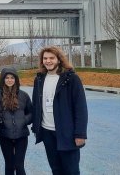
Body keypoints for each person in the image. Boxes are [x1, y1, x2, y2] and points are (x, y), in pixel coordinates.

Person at [32, 46, 88, 175]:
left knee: (71, 170)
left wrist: (80, 134)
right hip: (47, 132)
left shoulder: (71, 79)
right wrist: (36, 127)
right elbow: (36, 104)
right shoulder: (39, 79)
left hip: (66, 133)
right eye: (45, 58)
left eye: (52, 58)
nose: (48, 61)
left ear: (59, 59)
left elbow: (80, 108)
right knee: (56, 169)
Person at [0, 67, 33, 175]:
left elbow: (31, 113)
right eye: (6, 78)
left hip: (21, 136)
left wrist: (24, 120)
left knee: (19, 165)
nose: (9, 80)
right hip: (5, 135)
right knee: (9, 165)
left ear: (16, 79)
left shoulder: (24, 95)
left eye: (12, 77)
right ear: (3, 79)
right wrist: (0, 120)